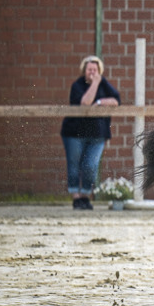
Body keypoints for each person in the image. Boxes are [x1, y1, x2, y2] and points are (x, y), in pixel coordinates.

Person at [60, 55, 120, 210]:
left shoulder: (104, 84)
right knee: (74, 165)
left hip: (97, 134)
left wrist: (100, 102)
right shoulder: (77, 85)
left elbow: (116, 101)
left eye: (95, 69)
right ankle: (76, 197)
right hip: (74, 133)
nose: (92, 72)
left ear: (99, 70)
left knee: (91, 166)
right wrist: (94, 84)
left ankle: (85, 196)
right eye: (89, 69)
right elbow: (85, 103)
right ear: (84, 71)